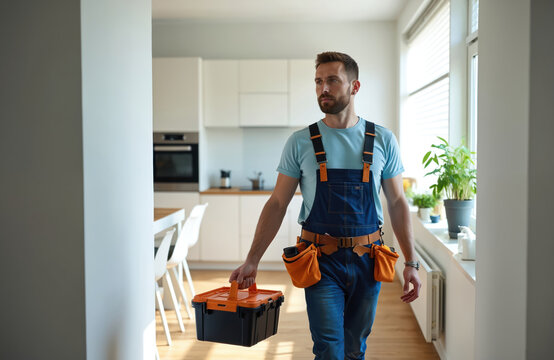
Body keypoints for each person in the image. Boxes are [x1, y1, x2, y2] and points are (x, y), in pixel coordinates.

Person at [229, 51, 421, 359]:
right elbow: (278, 203)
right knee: (329, 348)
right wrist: (252, 259)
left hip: (368, 259)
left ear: (354, 87)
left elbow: (397, 203)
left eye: (332, 80)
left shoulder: (383, 139)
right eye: (318, 81)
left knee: (355, 348)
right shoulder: (300, 141)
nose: (323, 89)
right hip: (319, 260)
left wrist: (411, 263)